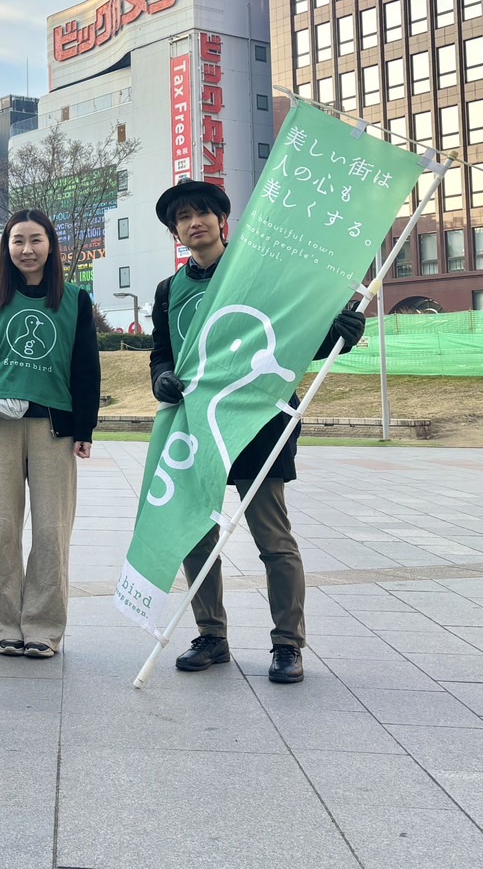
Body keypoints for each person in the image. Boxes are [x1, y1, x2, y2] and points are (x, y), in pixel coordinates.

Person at [150, 180, 365, 684]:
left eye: (203, 213)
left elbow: (290, 340)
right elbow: (162, 351)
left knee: (273, 539)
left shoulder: (259, 275)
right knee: (195, 536)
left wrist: (339, 334)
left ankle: (288, 643)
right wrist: (161, 378)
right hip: (197, 425)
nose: (193, 222)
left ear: (222, 221)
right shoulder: (168, 291)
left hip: (259, 419)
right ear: (175, 231)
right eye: (182, 217)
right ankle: (211, 635)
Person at [0, 209, 100, 659]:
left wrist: (85, 426)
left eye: (35, 240)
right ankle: (4, 626)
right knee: (2, 530)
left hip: (53, 428)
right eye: (17, 241)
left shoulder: (74, 300)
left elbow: (85, 367)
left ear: (51, 245)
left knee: (51, 530)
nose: (26, 250)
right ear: (7, 248)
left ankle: (43, 627)